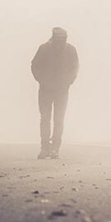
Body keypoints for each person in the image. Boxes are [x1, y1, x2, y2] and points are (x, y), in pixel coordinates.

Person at [31, 26, 79, 159]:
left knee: (59, 119)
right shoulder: (44, 49)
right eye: (58, 39)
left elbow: (74, 68)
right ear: (53, 38)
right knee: (45, 118)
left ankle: (55, 148)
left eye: (63, 39)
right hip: (46, 90)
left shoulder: (70, 50)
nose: (61, 42)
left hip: (62, 90)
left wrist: (68, 82)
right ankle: (45, 147)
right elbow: (35, 65)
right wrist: (42, 81)